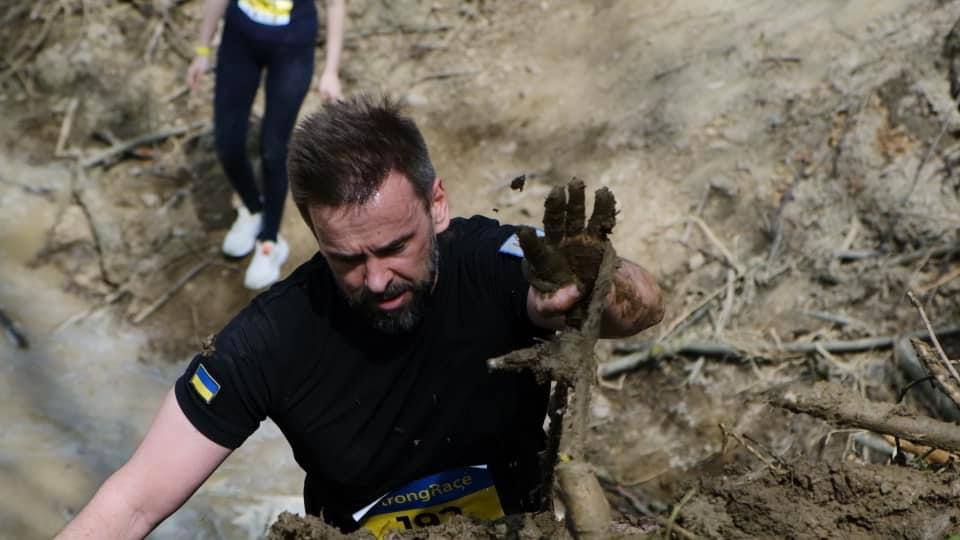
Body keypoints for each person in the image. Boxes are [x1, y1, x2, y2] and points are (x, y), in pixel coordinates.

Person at [57, 96, 664, 539]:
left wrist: (591, 285)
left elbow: (643, 307)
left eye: (395, 247)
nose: (376, 279)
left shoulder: (498, 261)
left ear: (437, 205)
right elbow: (133, 502)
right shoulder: (273, 337)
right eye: (347, 258)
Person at [185, 0, 346, 289]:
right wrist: (202, 49)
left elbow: (335, 5)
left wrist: (331, 71)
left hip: (293, 44)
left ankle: (270, 240)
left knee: (274, 150)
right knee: (227, 142)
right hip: (239, 37)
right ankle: (252, 208)